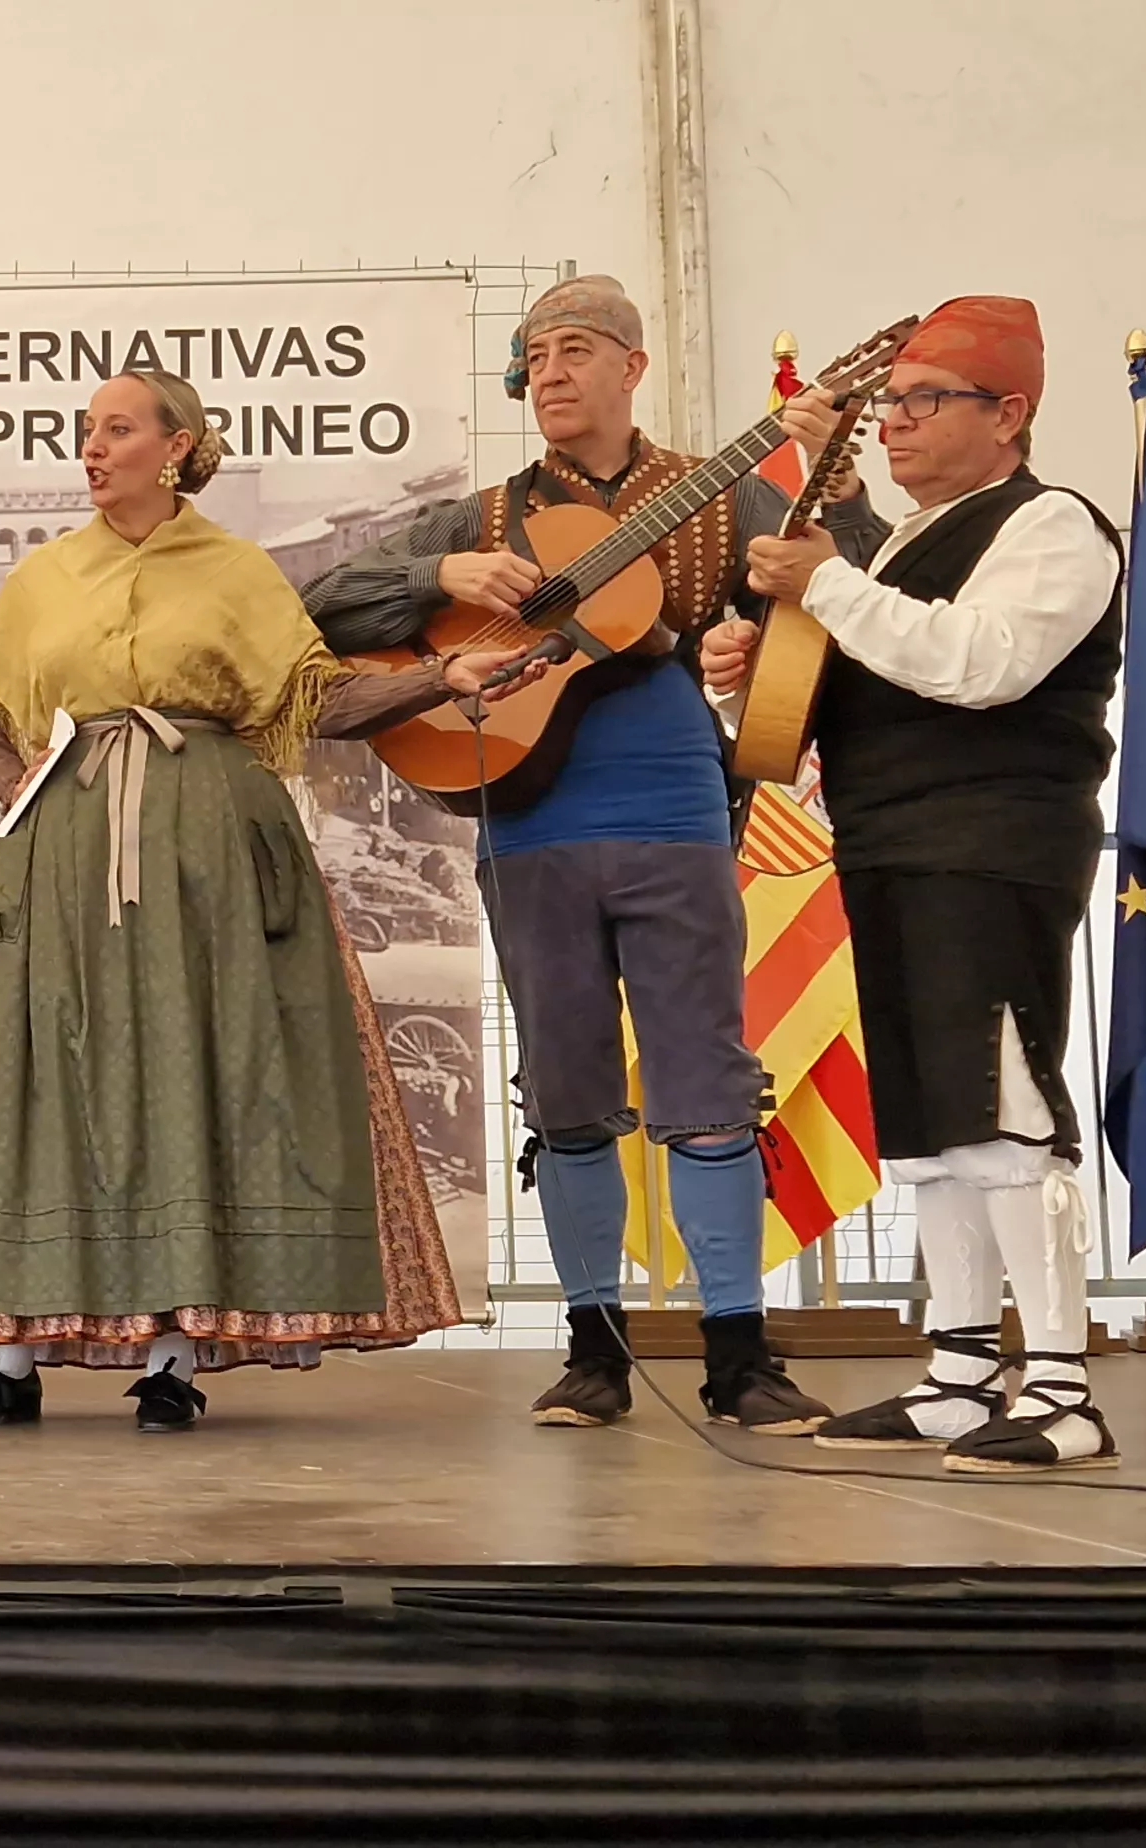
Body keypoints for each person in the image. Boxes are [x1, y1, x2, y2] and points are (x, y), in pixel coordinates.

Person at [301, 274, 880, 1434]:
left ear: (632, 367)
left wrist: (839, 482)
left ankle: (739, 1355)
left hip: (674, 807)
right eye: (534, 355)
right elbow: (320, 602)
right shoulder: (480, 516)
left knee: (705, 1082)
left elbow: (845, 586)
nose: (551, 371)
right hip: (531, 820)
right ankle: (592, 1351)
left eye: (574, 348)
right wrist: (440, 578)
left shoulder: (716, 500)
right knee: (564, 1090)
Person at [0, 369, 504, 1433]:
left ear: (174, 448)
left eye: (115, 430)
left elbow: (315, 696)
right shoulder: (46, 576)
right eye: (84, 431)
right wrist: (21, 800)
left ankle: (173, 1358)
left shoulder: (235, 571)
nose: (91, 448)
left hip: (209, 844)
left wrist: (436, 681)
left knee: (198, 1065)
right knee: (43, 1077)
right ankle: (6, 1354)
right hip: (65, 848)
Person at [703, 296, 1129, 1473]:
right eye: (889, 402)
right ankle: (958, 1372)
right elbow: (826, 724)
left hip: (993, 846)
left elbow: (982, 666)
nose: (890, 423)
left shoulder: (1053, 525)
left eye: (922, 399)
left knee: (1003, 1114)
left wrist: (825, 586)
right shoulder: (893, 546)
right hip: (887, 847)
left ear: (1012, 414)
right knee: (933, 1133)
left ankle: (1061, 1388)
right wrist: (742, 681)